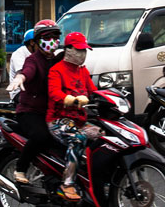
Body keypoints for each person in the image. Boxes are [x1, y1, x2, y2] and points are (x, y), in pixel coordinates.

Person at [7, 20, 62, 185]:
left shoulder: (59, 59)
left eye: (55, 36)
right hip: (30, 111)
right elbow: (27, 72)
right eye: (47, 37)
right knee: (41, 136)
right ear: (37, 40)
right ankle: (21, 168)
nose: (52, 40)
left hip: (53, 111)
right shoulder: (33, 60)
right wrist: (20, 78)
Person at [47, 32, 99, 202]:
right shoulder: (57, 70)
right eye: (79, 50)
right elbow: (54, 93)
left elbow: (94, 92)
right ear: (68, 49)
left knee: (104, 136)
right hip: (58, 120)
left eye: (85, 50)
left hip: (79, 120)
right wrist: (72, 100)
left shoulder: (82, 71)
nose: (82, 54)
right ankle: (67, 184)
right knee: (77, 139)